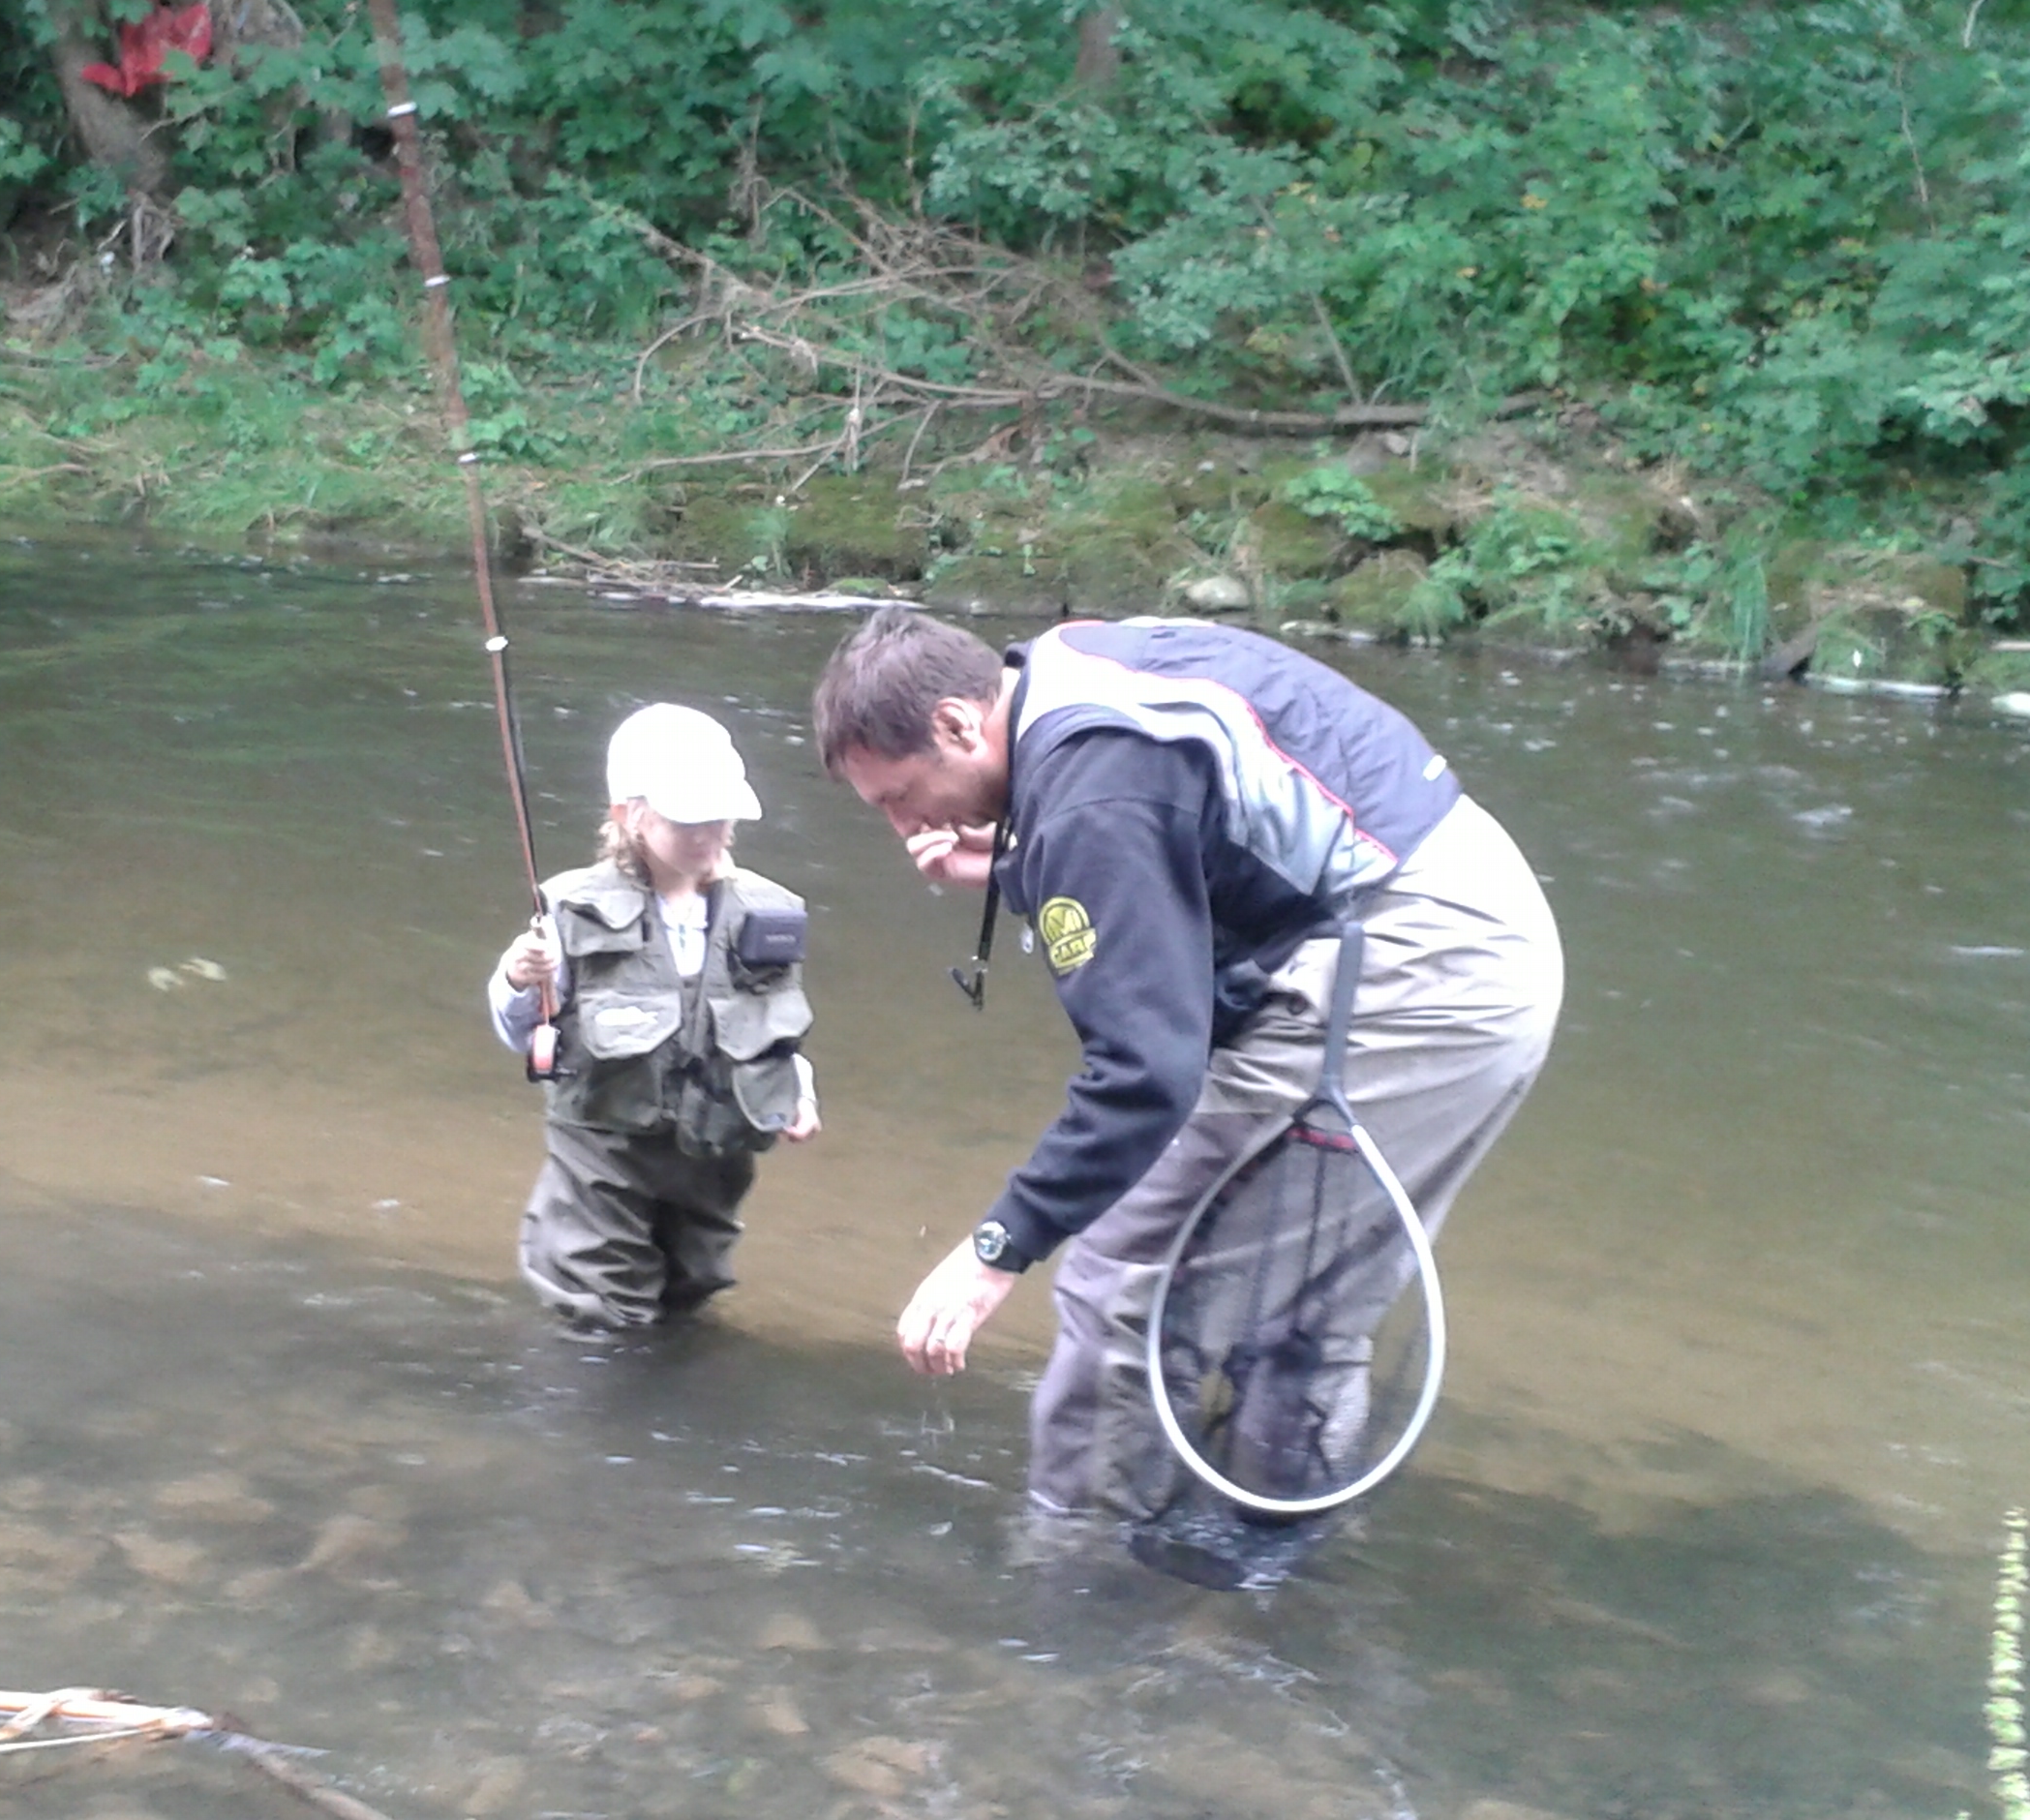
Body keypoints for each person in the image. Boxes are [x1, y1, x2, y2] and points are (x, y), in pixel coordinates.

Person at [810, 610, 1562, 1531]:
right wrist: (1023, 868)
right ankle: (1273, 1585)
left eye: (900, 795)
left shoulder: (1091, 796)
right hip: (1473, 920)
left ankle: (1077, 1574)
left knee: (1124, 1281)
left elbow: (1146, 1075)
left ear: (958, 724)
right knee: (1299, 1314)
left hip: (1418, 972)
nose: (904, 825)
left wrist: (994, 1251)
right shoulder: (1067, 666)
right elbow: (1183, 846)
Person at [487, 704, 821, 1330]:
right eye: (688, 820)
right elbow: (521, 1034)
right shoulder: (571, 911)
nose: (709, 834)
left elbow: (775, 1024)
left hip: (713, 1157)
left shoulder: (768, 913)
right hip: (603, 1156)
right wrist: (517, 979)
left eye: (720, 817)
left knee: (689, 1302)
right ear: (629, 816)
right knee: (601, 1313)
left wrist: (797, 1090)